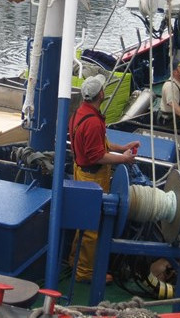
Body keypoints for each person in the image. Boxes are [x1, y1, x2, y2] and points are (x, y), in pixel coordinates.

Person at [68, 74, 140, 282]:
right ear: (101, 94)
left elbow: (101, 146)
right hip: (92, 178)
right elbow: (98, 156)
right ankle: (85, 272)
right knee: (91, 226)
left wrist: (122, 148)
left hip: (80, 171)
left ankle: (75, 260)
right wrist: (124, 159)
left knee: (81, 220)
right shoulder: (93, 123)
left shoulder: (80, 114)